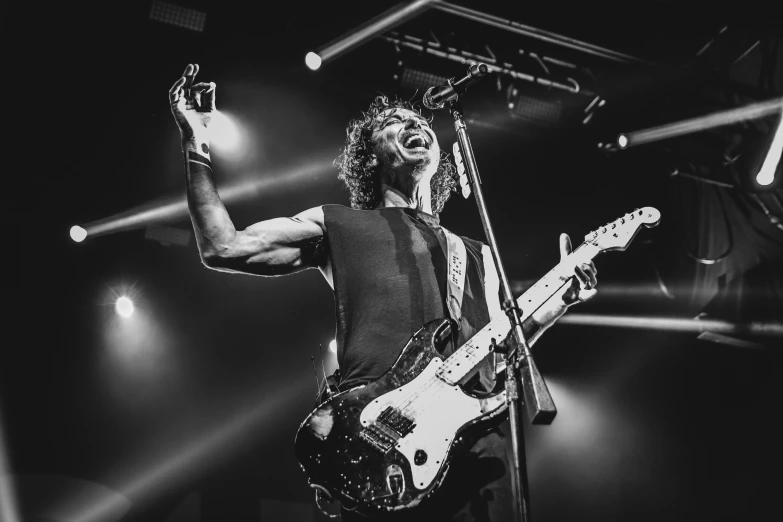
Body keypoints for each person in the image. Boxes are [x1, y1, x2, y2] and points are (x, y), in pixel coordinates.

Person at [169, 63, 598, 521]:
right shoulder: (339, 224)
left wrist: (560, 300)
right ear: (371, 156)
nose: (414, 124)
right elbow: (222, 246)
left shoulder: (477, 254)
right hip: (377, 446)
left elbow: (503, 348)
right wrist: (196, 141)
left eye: (420, 123)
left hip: (474, 450)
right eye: (396, 121)